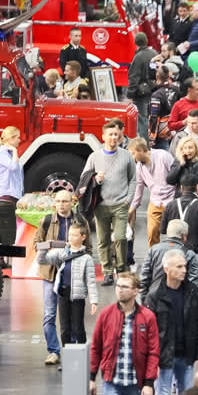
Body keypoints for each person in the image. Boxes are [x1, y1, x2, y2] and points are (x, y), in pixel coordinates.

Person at [90, 272, 160, 395]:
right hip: (112, 381)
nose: (119, 289)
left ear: (136, 291)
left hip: (135, 384)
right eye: (118, 286)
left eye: (125, 286)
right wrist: (91, 378)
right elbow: (96, 347)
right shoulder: (106, 314)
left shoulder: (147, 317)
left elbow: (153, 352)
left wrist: (149, 383)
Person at [145, 251, 198, 395]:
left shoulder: (191, 291)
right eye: (179, 267)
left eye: (185, 266)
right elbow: (150, 333)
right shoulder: (155, 295)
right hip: (165, 357)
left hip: (186, 355)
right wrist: (152, 360)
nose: (184, 270)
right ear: (167, 269)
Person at [34, 189, 92, 365]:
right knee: (49, 315)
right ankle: (54, 351)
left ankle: (73, 351)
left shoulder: (80, 221)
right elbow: (36, 244)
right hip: (50, 274)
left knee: (73, 319)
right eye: (58, 201)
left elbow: (89, 248)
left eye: (64, 201)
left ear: (71, 202)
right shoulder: (46, 221)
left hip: (71, 277)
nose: (61, 204)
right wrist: (52, 247)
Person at [85, 121, 138, 285]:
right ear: (103, 137)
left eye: (116, 134)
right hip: (101, 205)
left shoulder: (126, 155)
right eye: (110, 134)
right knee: (103, 240)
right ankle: (107, 271)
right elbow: (85, 180)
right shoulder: (94, 156)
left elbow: (133, 180)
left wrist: (128, 200)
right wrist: (96, 180)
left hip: (120, 204)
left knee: (121, 237)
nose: (114, 137)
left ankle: (121, 268)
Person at [130, 138, 178, 247]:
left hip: (172, 200)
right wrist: (132, 208)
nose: (132, 157)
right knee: (151, 232)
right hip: (155, 201)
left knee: (174, 234)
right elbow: (139, 188)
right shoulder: (139, 168)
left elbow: (177, 174)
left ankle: (173, 258)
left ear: (141, 150)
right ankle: (154, 257)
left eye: (133, 153)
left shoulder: (163, 156)